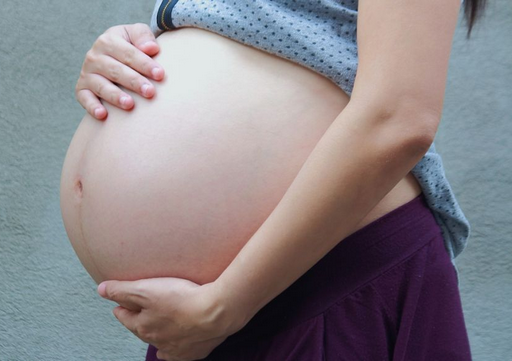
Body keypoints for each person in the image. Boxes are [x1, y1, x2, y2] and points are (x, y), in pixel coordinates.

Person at [72, 0, 486, 360]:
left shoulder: (228, 308)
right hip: (212, 318)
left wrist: (225, 306)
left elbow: (400, 117)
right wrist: (125, 50)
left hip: (323, 292)